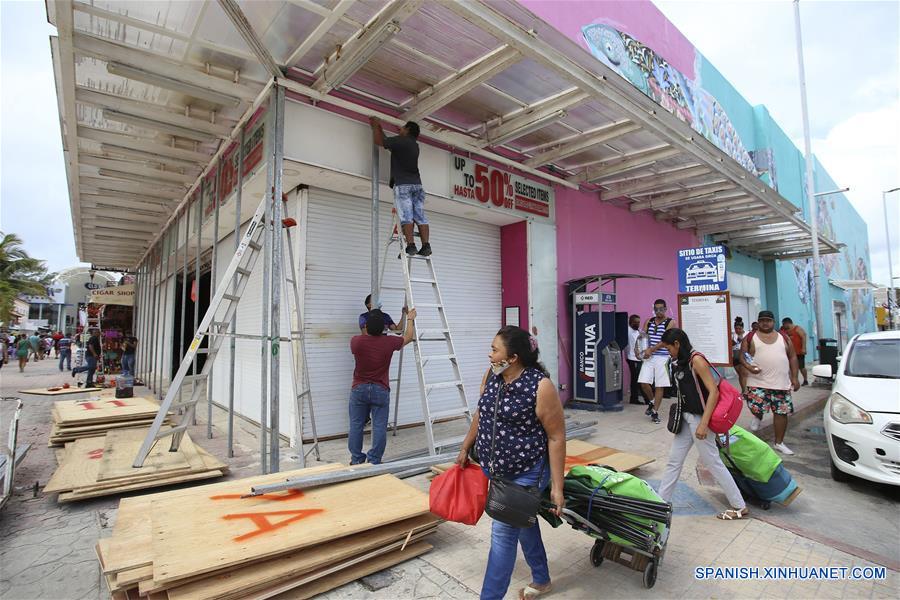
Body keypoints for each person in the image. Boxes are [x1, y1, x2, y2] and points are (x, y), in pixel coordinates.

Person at [455, 326, 566, 600]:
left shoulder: (540, 386)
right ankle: (541, 579)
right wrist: (466, 446)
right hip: (497, 469)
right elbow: (482, 412)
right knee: (523, 522)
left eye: (494, 349)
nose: (489, 354)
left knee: (503, 536)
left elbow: (556, 437)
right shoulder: (493, 377)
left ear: (513, 357)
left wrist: (557, 487)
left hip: (526, 472)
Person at [657, 328, 749, 520]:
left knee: (713, 462)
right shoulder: (679, 362)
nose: (668, 352)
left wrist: (703, 424)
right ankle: (660, 503)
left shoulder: (696, 360)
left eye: (668, 348)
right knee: (674, 460)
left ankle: (739, 506)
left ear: (677, 344)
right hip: (686, 419)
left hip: (700, 419)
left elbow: (713, 392)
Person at [348, 308, 417, 465]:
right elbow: (408, 337)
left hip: (359, 388)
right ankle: (374, 460)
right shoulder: (389, 342)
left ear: (367, 327)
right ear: (383, 328)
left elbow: (364, 337)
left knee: (356, 425)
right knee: (379, 426)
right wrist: (410, 319)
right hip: (381, 388)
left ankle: (357, 459)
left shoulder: (356, 341)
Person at [740, 310, 800, 454]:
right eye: (762, 320)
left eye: (768, 320)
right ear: (758, 322)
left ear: (773, 322)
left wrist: (795, 377)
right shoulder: (750, 337)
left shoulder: (784, 338)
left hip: (781, 383)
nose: (765, 323)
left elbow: (792, 357)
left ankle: (779, 443)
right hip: (757, 382)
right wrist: (749, 366)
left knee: (781, 413)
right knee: (756, 407)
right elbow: (743, 355)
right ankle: (758, 415)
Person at [370, 117, 431, 257]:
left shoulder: (400, 140)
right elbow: (389, 144)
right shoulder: (414, 145)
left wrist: (375, 125)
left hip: (403, 185)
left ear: (408, 129)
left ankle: (410, 246)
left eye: (403, 127)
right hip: (417, 185)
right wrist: (380, 129)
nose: (400, 129)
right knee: (420, 216)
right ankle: (426, 245)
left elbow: (379, 141)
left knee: (407, 216)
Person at [639, 299, 676, 424]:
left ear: (665, 309)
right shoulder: (648, 321)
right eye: (656, 309)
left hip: (663, 357)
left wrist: (651, 349)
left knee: (659, 385)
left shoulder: (671, 322)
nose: (658, 312)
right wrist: (638, 349)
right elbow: (642, 337)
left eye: (661, 309)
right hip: (649, 356)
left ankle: (655, 412)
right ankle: (652, 402)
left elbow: (665, 341)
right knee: (644, 382)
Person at [624, 314, 651, 406]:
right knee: (637, 379)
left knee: (638, 379)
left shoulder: (637, 331)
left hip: (639, 358)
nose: (638, 324)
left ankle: (642, 398)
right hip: (632, 358)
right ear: (631, 322)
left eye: (639, 322)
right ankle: (637, 399)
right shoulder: (627, 331)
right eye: (636, 322)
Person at [781, 318, 809, 386]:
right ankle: (792, 381)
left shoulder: (797, 328)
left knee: (801, 367)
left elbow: (804, 337)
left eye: (784, 324)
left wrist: (804, 348)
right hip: (789, 352)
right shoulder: (783, 329)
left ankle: (805, 380)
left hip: (799, 352)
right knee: (790, 367)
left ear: (788, 323)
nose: (783, 326)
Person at [731, 318, 748, 395]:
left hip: (744, 355)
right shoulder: (732, 334)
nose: (738, 330)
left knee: (743, 373)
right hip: (735, 355)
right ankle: (743, 389)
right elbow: (729, 344)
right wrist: (735, 341)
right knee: (740, 375)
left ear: (742, 328)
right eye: (736, 328)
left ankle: (745, 391)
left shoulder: (747, 334)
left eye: (739, 328)